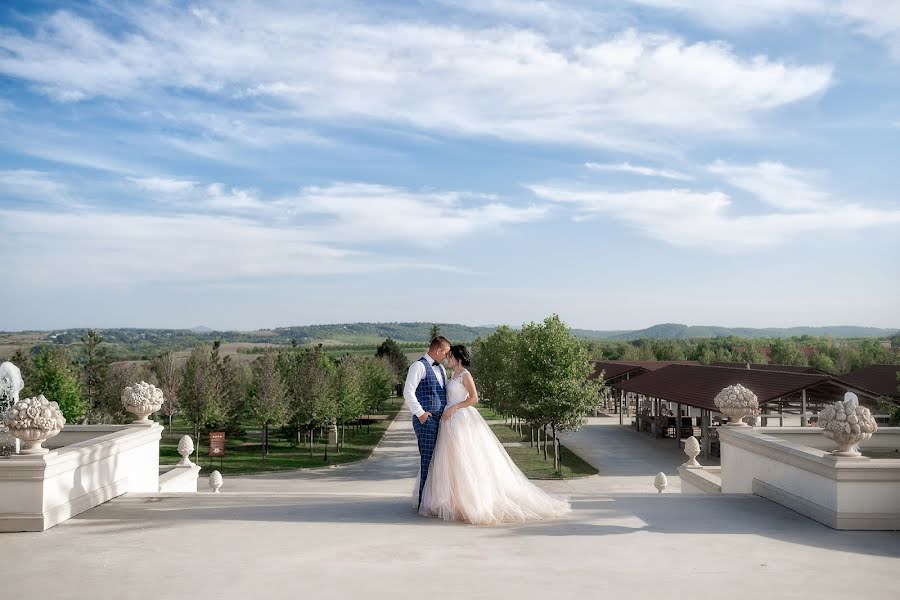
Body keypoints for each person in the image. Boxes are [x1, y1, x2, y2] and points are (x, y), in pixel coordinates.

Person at [418, 344, 571, 525]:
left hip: (461, 420)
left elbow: (474, 398)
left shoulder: (466, 375)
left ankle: (472, 502)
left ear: (458, 358)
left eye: (450, 356)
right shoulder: (452, 375)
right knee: (452, 463)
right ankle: (456, 501)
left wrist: (454, 408)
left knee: (467, 461)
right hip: (448, 422)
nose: (448, 359)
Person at [403, 336, 452, 509]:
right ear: (438, 350)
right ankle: (423, 502)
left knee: (441, 462)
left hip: (443, 422)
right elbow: (408, 392)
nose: (447, 357)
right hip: (426, 421)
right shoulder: (418, 366)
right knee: (428, 460)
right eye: (446, 353)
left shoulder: (442, 370)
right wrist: (421, 414)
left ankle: (436, 501)